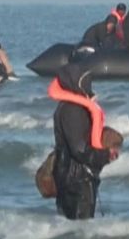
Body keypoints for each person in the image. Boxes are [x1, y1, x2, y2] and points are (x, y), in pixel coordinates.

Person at [49, 64, 118, 220]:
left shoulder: (69, 107)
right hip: (77, 180)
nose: (88, 84)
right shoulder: (73, 110)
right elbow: (79, 150)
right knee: (82, 229)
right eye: (85, 81)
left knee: (71, 228)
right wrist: (105, 155)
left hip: (68, 176)